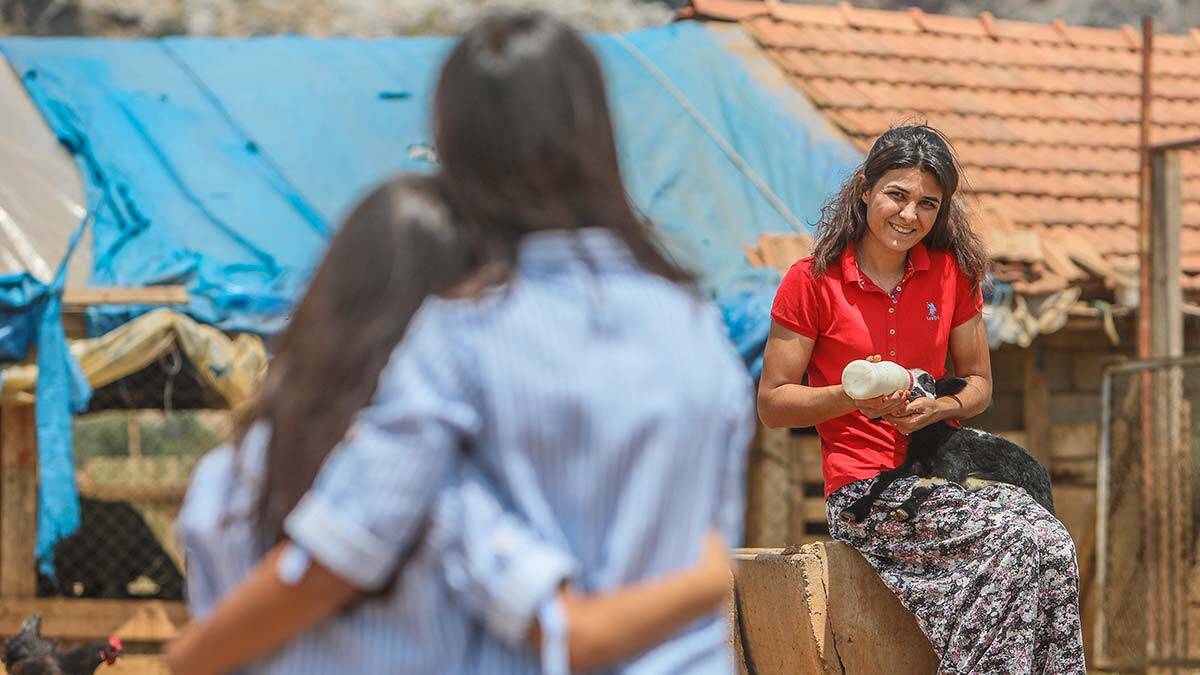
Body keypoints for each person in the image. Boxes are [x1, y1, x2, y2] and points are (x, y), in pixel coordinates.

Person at [167, 9, 754, 675]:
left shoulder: (467, 334)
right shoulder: (694, 326)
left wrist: (188, 658)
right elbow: (710, 546)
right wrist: (704, 582)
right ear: (600, 135)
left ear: (460, 151)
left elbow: (348, 544)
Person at [758, 124, 1085, 673]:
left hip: (941, 472)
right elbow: (772, 403)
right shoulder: (811, 280)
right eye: (897, 195)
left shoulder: (953, 275)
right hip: (866, 495)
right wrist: (847, 396)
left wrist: (942, 407)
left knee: (1051, 542)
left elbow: (978, 383)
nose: (910, 215)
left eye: (928, 204)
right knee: (1021, 536)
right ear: (865, 189)